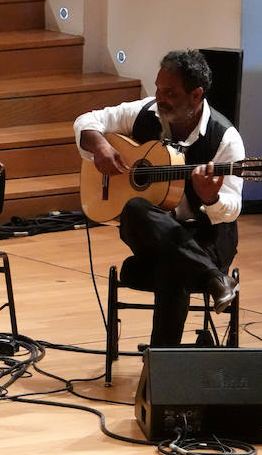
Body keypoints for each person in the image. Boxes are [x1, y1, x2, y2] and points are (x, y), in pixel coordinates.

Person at [74, 49, 243, 346]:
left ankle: (158, 369)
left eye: (170, 92)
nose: (160, 97)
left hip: (207, 237)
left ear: (196, 95)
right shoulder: (145, 112)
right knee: (136, 207)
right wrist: (99, 145)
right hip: (154, 232)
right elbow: (86, 120)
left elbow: (232, 210)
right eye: (158, 88)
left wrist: (212, 199)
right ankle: (215, 280)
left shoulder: (224, 138)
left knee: (172, 268)